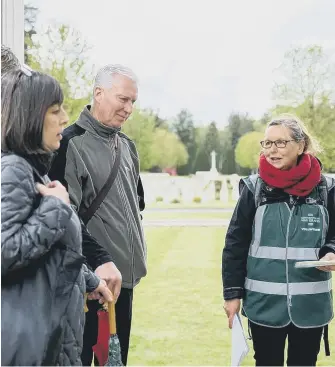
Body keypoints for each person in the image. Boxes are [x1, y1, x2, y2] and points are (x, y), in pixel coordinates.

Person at [1, 68, 113, 366]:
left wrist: (89, 280)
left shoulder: (33, 170)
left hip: (51, 340)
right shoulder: (13, 171)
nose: (65, 117)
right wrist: (57, 207)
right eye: (55, 110)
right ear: (30, 118)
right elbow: (4, 252)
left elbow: (54, 251)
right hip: (33, 348)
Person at [48, 64, 146, 366]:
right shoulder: (67, 143)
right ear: (99, 93)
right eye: (122, 99)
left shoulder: (128, 146)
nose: (129, 108)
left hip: (123, 283)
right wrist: (98, 261)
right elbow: (63, 214)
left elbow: (136, 202)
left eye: (133, 101)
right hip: (87, 282)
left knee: (114, 363)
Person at [222, 114, 335, 366]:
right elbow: (235, 244)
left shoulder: (326, 189)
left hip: (311, 306)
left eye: (281, 143)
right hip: (264, 305)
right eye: (267, 143)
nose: (272, 150)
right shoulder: (254, 189)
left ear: (301, 144)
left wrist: (331, 251)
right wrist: (232, 295)